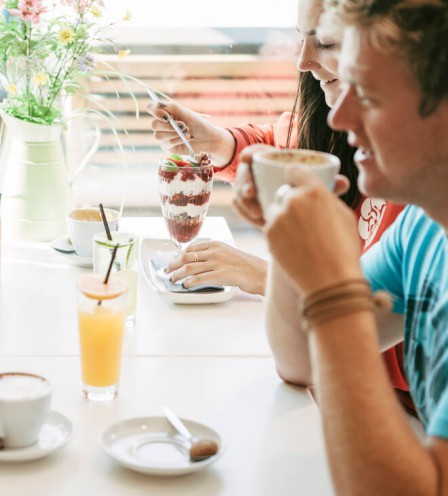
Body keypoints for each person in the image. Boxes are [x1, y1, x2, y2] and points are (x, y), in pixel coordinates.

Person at [234, 0, 448, 496]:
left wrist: (334, 291)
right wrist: (292, 222)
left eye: (369, 96)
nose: (338, 117)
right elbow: (302, 360)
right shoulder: (424, 229)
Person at [148, 0, 411, 408]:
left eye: (326, 42)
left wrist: (270, 275)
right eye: (300, 39)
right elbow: (311, 357)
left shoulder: (424, 223)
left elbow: (379, 350)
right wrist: (222, 144)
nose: (303, 61)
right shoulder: (414, 233)